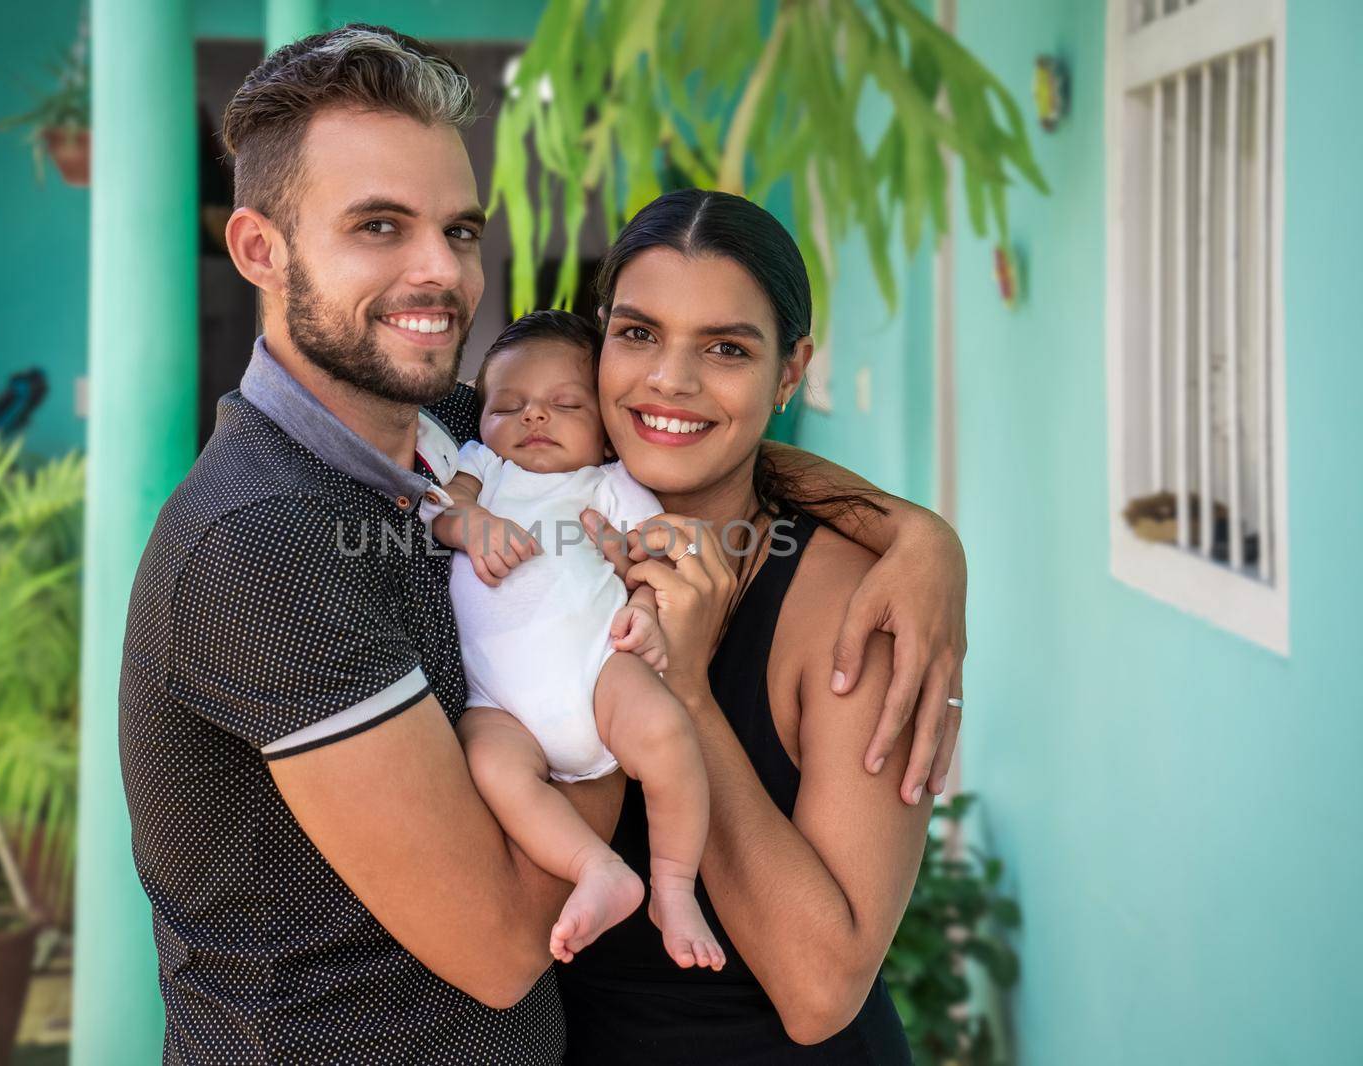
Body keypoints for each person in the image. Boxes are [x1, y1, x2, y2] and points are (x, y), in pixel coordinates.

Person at [118, 25, 965, 1064]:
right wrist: (639, 669)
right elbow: (506, 938)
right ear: (259, 249)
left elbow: (671, 447)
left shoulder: (453, 437)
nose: (437, 272)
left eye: (459, 229)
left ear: (788, 372)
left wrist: (916, 537)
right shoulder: (273, 541)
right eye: (378, 226)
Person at [556, 188, 935, 1063]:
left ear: (790, 373)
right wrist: (922, 529)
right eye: (639, 333)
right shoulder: (523, 509)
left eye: (726, 348)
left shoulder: (857, 609)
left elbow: (822, 989)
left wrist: (687, 689)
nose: (670, 381)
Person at [433, 311, 723, 971]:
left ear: (605, 429)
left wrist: (646, 612)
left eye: (565, 404)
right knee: (489, 764)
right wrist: (469, 522)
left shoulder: (612, 484)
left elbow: (652, 565)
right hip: (498, 704)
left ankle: (673, 885)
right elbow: (436, 505)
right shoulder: (483, 468)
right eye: (509, 406)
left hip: (599, 675)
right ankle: (599, 869)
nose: (534, 417)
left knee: (669, 735)